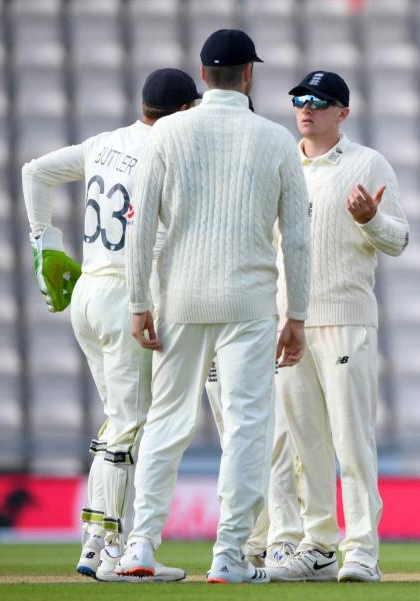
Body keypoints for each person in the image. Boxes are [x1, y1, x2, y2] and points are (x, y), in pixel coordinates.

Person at [118, 29, 311, 584]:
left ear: (203, 75)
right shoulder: (274, 139)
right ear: (248, 74)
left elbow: (139, 227)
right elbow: (295, 236)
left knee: (166, 421)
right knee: (248, 425)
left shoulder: (167, 133)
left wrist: (138, 302)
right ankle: (228, 554)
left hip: (179, 297)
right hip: (249, 302)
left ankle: (140, 546)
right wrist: (295, 315)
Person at [21, 68, 200, 583]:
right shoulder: (168, 152)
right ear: (185, 112)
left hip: (87, 292)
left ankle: (96, 542)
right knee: (130, 422)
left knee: (116, 418)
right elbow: (160, 239)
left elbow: (35, 172)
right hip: (127, 294)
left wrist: (44, 244)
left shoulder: (105, 143)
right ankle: (109, 547)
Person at [255, 70, 408, 584]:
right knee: (302, 442)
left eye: (319, 101)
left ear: (342, 111)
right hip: (288, 324)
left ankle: (361, 549)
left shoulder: (367, 163)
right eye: (299, 98)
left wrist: (370, 220)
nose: (306, 108)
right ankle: (317, 546)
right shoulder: (278, 163)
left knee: (351, 440)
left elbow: (398, 241)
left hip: (344, 320)